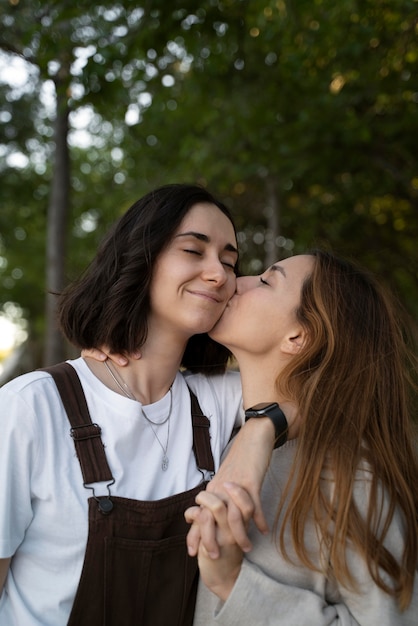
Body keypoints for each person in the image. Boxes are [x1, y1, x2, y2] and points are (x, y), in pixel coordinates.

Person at [0, 183, 276, 626]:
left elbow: (327, 382)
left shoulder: (218, 399)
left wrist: (259, 432)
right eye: (193, 250)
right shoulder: (31, 407)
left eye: (229, 261)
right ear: (141, 258)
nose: (220, 274)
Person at [185, 251, 418, 625]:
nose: (236, 281)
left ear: (298, 336)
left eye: (265, 281)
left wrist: (235, 586)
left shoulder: (352, 478)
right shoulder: (214, 429)